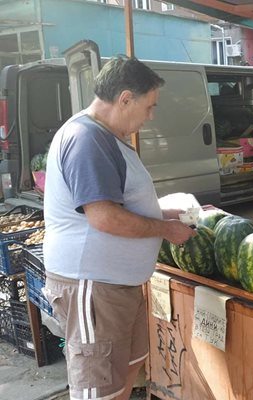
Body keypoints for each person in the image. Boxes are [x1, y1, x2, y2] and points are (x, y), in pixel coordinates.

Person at [42, 56, 195, 400]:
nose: (151, 116)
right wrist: (166, 230)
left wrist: (163, 213)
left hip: (116, 287)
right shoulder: (87, 139)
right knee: (98, 388)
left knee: (127, 369)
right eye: (149, 106)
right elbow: (104, 217)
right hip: (93, 288)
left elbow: (117, 200)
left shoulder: (106, 135)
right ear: (126, 98)